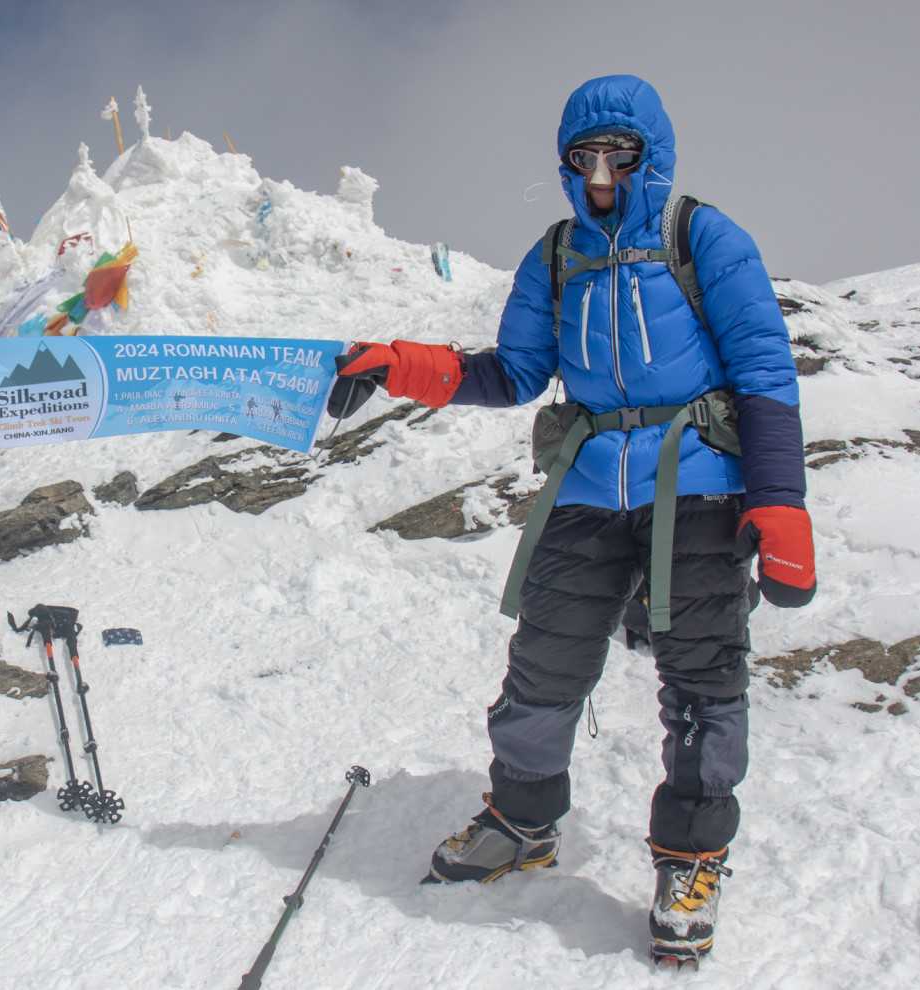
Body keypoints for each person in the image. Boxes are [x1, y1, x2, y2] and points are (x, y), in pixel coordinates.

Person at [330, 74, 814, 963]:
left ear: (649, 157)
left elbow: (763, 370)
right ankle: (521, 821)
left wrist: (779, 502)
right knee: (542, 667)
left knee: (702, 682)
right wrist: (400, 364)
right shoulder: (554, 256)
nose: (600, 174)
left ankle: (691, 857)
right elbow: (511, 372)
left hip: (699, 484)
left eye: (618, 156)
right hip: (587, 488)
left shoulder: (703, 237)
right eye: (583, 158)